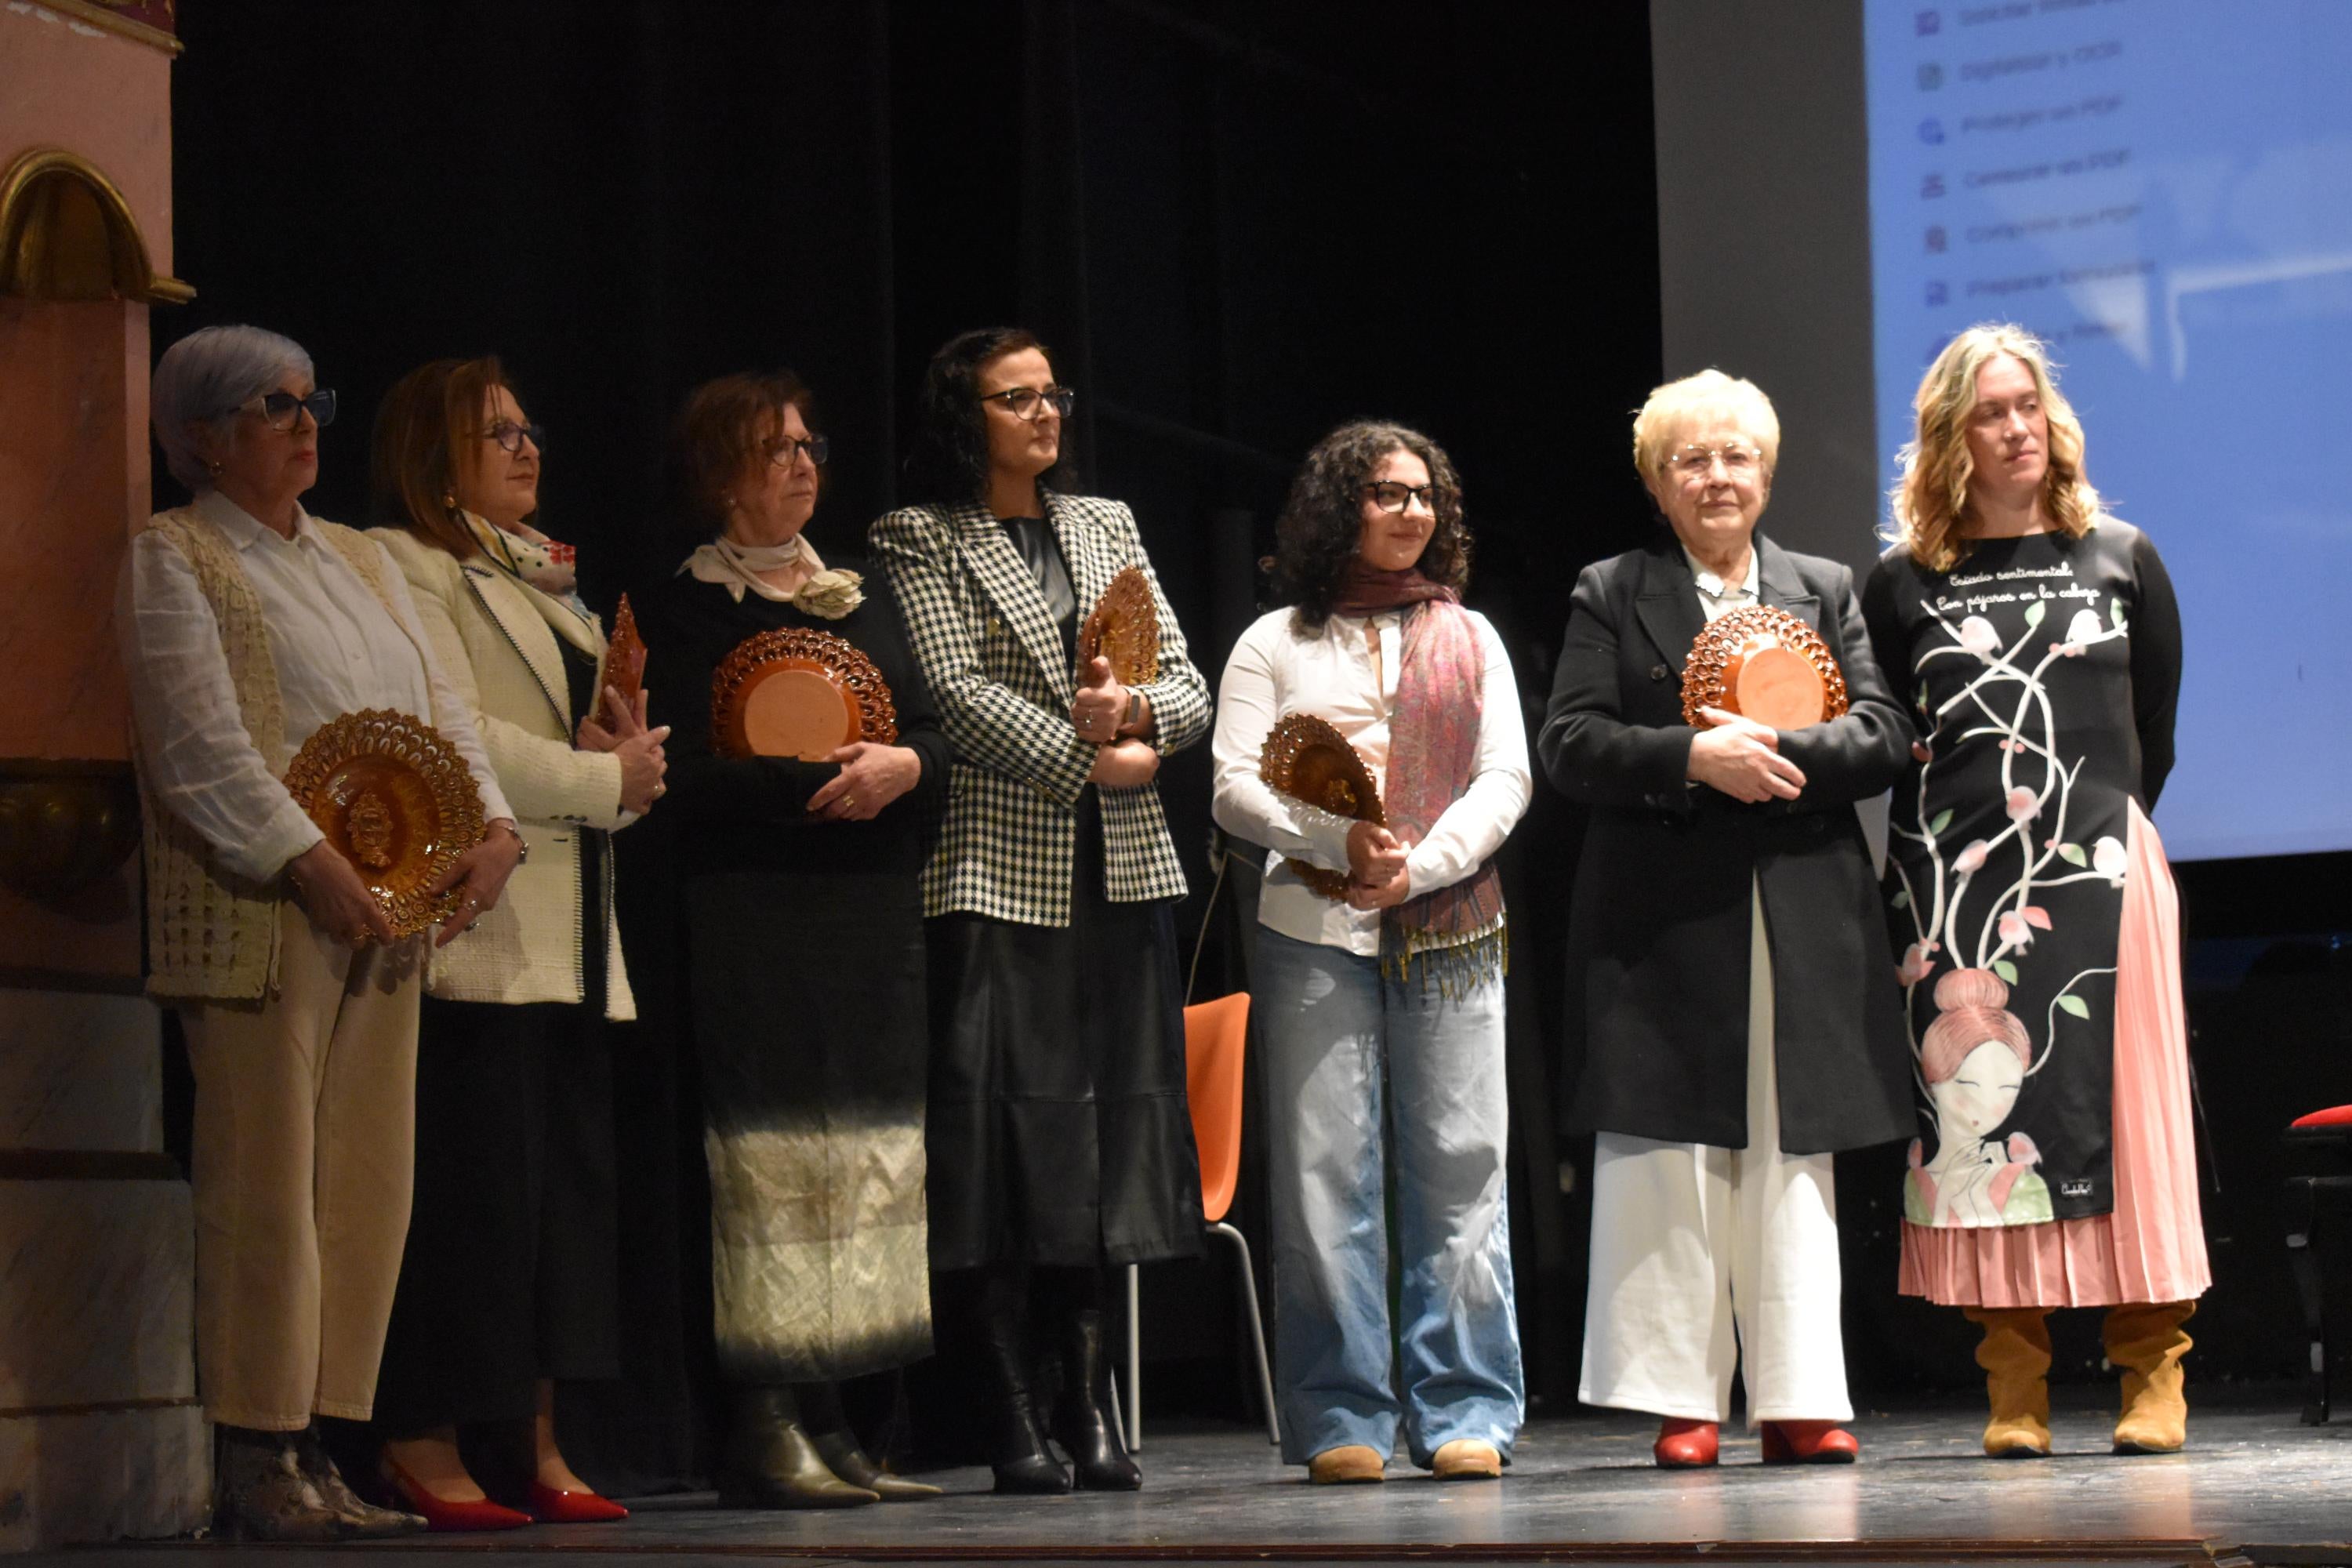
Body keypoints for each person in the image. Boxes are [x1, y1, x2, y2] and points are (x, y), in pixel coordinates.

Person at [121, 325, 521, 1538]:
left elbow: (438, 704)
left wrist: (488, 829)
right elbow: (196, 740)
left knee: (363, 1185)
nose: (304, 425)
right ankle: (254, 1451)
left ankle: (320, 1442)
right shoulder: (175, 554)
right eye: (269, 406)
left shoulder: (360, 560)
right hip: (267, 908)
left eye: (310, 403)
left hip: (388, 905)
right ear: (201, 437)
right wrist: (305, 861)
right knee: (265, 1184)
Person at [1537, 369, 1911, 1468]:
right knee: (1670, 1154)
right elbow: (1570, 742)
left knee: (1794, 1157)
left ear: (1768, 472)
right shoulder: (1613, 588)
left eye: (1737, 456)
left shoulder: (1822, 585)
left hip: (1803, 908)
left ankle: (1799, 1395)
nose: (1718, 477)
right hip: (1662, 917)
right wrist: (1692, 757)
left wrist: (1779, 754)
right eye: (1692, 459)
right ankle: (1682, 1398)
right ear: (1658, 482)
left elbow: (1885, 731)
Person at [869, 327, 1209, 1494]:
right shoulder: (919, 534)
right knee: (1002, 1148)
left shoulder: (1106, 523)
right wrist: (1089, 747)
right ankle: (1013, 1411)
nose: (1043, 414)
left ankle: (1094, 1406)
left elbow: (1188, 680)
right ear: (967, 417)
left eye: (1051, 393)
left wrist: (1143, 728)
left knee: (1105, 1143)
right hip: (996, 872)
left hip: (1118, 869)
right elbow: (949, 691)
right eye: (1015, 399)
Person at [1864, 323, 2204, 1458]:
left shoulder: (2120, 554)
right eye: (1989, 413)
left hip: (2100, 871)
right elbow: (1890, 733)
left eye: (2028, 406)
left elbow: (2151, 728)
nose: (2017, 429)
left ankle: (2153, 1369)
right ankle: (2016, 1385)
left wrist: (2081, 832)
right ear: (1947, 439)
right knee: (1979, 1126)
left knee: (2130, 1128)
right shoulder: (1904, 584)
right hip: (1957, 894)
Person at [633, 372, 951, 1508]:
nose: (802, 463)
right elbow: (675, 775)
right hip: (753, 912)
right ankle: (765, 1420)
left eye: (810, 444)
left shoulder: (859, 596)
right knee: (770, 1165)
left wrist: (902, 768)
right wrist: (808, 784)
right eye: (774, 451)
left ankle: (842, 1418)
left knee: (867, 1162)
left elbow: (927, 730)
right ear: (721, 475)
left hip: (866, 916)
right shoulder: (684, 609)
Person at [366, 358, 664, 1527]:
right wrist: (601, 777)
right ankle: (422, 1440)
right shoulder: (412, 566)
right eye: (497, 432)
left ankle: (537, 1442)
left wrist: (617, 758)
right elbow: (455, 727)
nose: (527, 447)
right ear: (435, 458)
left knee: (561, 1210)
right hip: (481, 928)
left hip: (575, 928)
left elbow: (558, 735)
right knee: (469, 1200)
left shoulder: (551, 583)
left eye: (530, 427)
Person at [1209, 421, 1529, 1484]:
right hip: (1311, 931)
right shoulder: (1274, 641)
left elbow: (1506, 780)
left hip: (1447, 926)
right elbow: (1233, 787)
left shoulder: (1469, 637)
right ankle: (1343, 1412)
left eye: (1425, 494)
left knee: (1461, 1169)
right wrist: (1333, 839)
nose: (1411, 511)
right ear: (1339, 506)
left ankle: (1467, 1406)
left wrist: (1418, 866)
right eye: (1387, 493)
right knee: (1322, 1178)